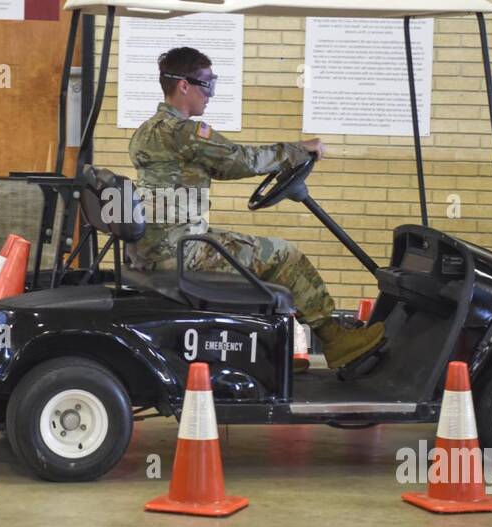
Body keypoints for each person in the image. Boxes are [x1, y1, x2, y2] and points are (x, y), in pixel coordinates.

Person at [127, 46, 386, 372]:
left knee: (254, 251)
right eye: (206, 84)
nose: (209, 94)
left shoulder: (147, 131)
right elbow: (239, 160)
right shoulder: (184, 132)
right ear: (183, 86)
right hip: (182, 250)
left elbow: (221, 167)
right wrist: (297, 150)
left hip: (160, 246)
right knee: (283, 254)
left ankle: (269, 353)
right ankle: (335, 339)